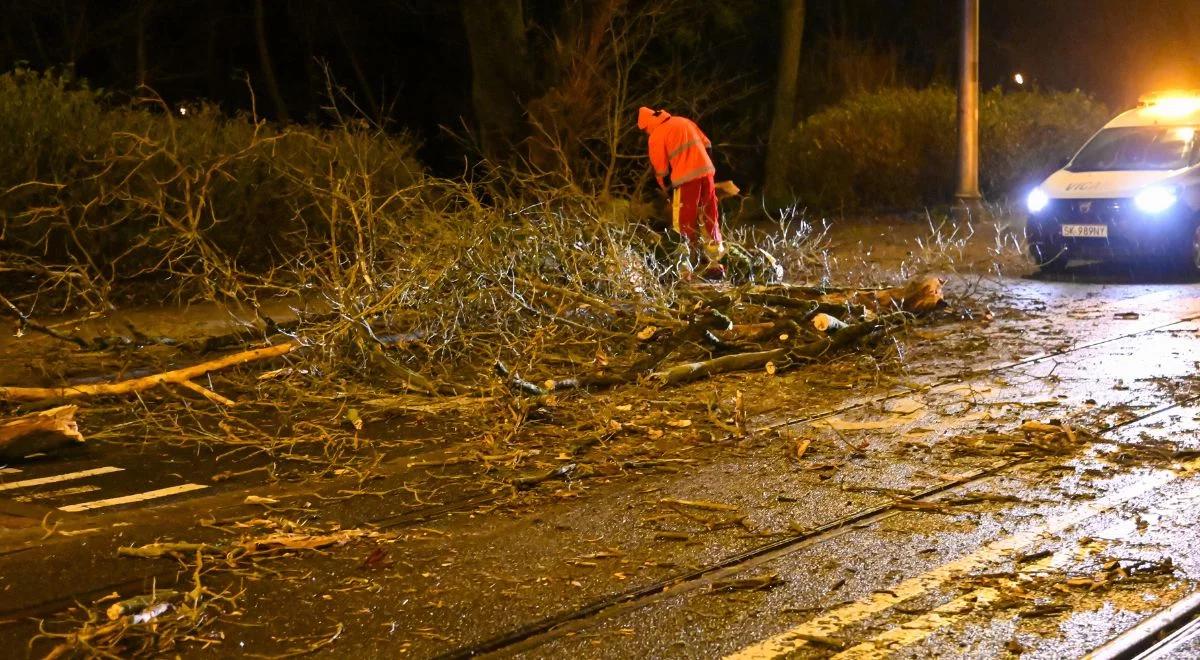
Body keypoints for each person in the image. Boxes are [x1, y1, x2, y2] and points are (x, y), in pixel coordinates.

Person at [637, 106, 725, 278]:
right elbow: (707, 144)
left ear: (646, 125)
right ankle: (715, 262)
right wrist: (707, 168)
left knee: (683, 222)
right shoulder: (684, 121)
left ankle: (683, 268)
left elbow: (661, 170)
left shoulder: (657, 135)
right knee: (709, 216)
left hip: (685, 179)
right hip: (706, 173)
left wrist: (667, 190)